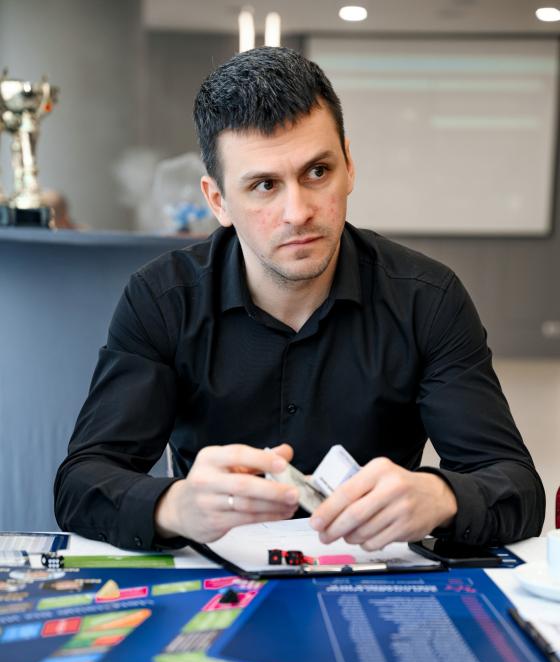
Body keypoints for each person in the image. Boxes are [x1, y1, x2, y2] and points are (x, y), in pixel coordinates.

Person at [54, 47, 544, 552]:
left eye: (317, 173)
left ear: (349, 166)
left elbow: (517, 487)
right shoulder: (161, 299)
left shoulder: (428, 298)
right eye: (264, 185)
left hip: (373, 571)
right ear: (218, 201)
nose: (298, 212)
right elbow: (80, 483)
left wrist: (441, 496)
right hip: (218, 574)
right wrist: (175, 506)